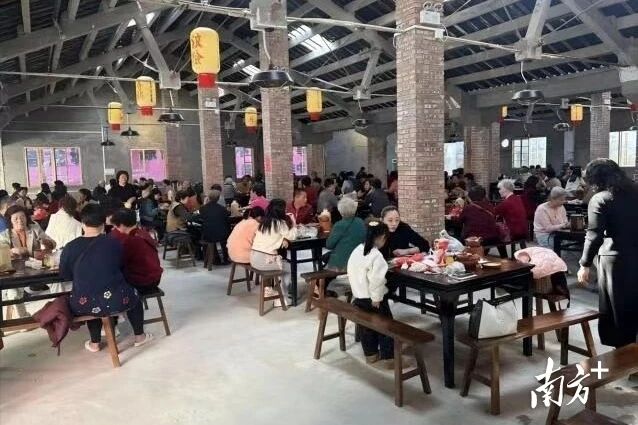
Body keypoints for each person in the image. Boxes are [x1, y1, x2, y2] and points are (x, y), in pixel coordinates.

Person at [60, 204, 152, 352]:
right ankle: (139, 336)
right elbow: (122, 267)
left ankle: (95, 343)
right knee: (134, 295)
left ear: (82, 223)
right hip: (117, 300)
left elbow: (65, 275)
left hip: (82, 304)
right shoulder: (114, 243)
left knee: (89, 295)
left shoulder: (70, 247)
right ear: (103, 224)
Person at [577, 159, 638, 348]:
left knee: (617, 307)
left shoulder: (601, 198)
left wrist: (584, 264)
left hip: (616, 260)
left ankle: (624, 354)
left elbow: (594, 235)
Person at [347, 220, 393, 366]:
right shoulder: (376, 256)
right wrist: (377, 298)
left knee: (366, 327)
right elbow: (377, 281)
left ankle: (371, 354)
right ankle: (389, 357)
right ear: (382, 237)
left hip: (358, 296)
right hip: (372, 299)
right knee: (386, 325)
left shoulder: (357, 250)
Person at [0, 205, 56, 318]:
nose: (20, 221)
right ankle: (23, 318)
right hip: (16, 272)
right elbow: (2, 251)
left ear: (26, 217)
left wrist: (47, 243)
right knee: (13, 294)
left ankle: (57, 312)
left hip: (37, 268)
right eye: (16, 219)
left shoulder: (34, 228)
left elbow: (52, 243)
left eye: (22, 217)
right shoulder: (5, 234)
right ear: (10, 221)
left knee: (58, 283)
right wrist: (13, 251)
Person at [251, 199, 297, 307]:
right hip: (266, 260)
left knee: (280, 263)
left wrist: (282, 239)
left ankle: (269, 289)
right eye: (285, 209)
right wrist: (294, 222)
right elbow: (292, 236)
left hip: (254, 258)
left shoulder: (264, 222)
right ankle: (280, 298)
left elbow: (271, 238)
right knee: (289, 268)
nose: (286, 211)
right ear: (281, 210)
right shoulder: (280, 223)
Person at [109, 208, 163, 290]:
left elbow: (119, 262)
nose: (114, 228)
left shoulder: (130, 240)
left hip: (144, 281)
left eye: (115, 226)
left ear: (122, 225)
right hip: (155, 276)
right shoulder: (143, 233)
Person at [325, 198, 366, 272]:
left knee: (326, 258)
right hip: (359, 259)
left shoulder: (339, 225)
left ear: (340, 211)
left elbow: (329, 245)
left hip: (342, 263)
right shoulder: (361, 222)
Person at [199, 190, 231, 265]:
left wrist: (205, 203)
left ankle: (214, 259)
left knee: (210, 236)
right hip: (222, 234)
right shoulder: (222, 209)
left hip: (208, 235)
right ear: (218, 198)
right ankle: (225, 259)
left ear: (208, 198)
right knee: (224, 238)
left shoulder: (203, 208)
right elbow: (227, 219)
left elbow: (202, 218)